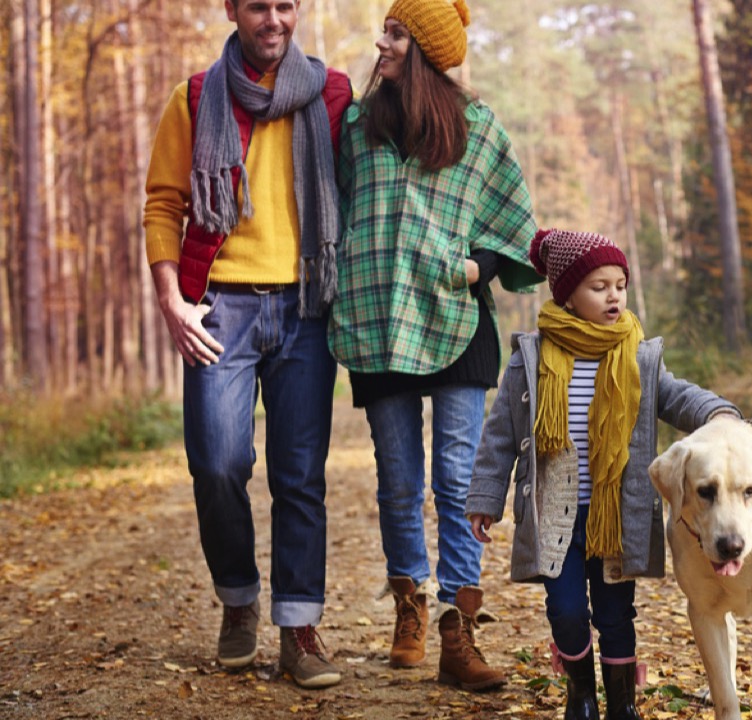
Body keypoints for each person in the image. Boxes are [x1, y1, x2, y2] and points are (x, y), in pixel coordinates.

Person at [326, 0, 543, 692]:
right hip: (376, 318)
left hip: (455, 322)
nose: (380, 42)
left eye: (394, 33)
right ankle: (409, 606)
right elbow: (332, 208)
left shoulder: (476, 128)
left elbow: (515, 222)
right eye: (386, 29)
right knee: (398, 481)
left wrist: (476, 265)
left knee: (456, 477)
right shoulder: (357, 126)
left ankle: (458, 626)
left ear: (421, 50)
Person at [142, 0, 352, 690]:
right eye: (258, 5)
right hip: (219, 306)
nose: (273, 19)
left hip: (305, 304)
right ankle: (238, 599)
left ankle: (298, 627)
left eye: (285, 5)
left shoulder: (330, 95)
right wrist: (172, 300)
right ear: (232, 9)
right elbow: (165, 203)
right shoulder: (196, 97)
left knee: (300, 476)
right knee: (218, 461)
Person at [465, 228, 741, 720]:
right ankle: (581, 693)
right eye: (599, 286)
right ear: (568, 295)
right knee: (568, 611)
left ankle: (621, 704)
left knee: (616, 614)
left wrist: (719, 413)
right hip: (554, 516)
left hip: (617, 514)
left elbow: (677, 396)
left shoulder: (636, 356)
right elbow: (500, 434)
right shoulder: (531, 359)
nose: (614, 295)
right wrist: (485, 496)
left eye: (620, 283)